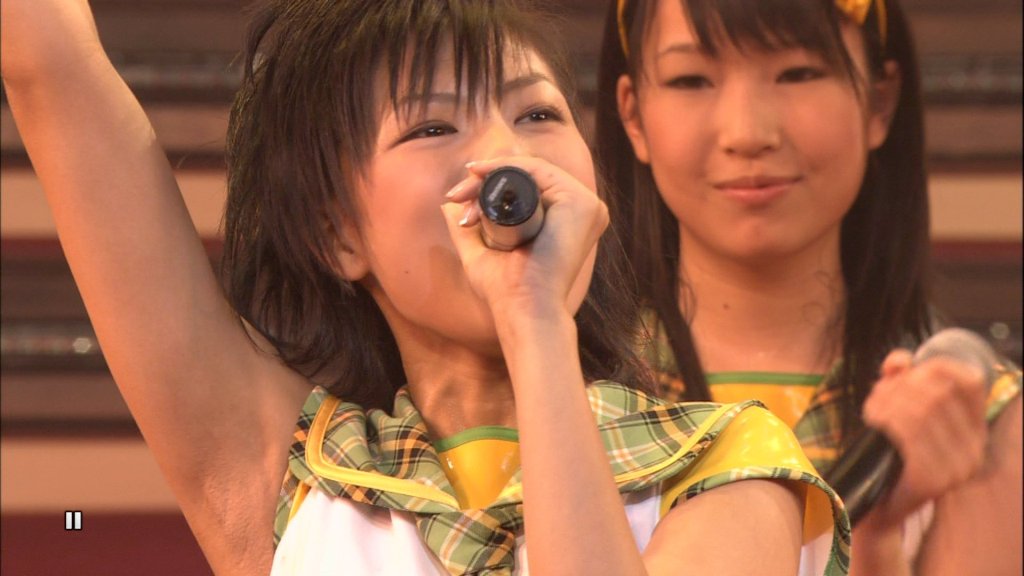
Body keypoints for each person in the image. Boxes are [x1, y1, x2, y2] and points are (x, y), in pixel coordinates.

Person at [2, 0, 852, 574]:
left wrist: (535, 326)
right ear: (337, 234)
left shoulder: (733, 466)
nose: (505, 158)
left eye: (537, 115)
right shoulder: (290, 475)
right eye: (434, 125)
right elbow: (50, 65)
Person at [595, 0, 1023, 574]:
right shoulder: (565, 395)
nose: (748, 133)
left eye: (798, 73)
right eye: (691, 79)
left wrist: (878, 531)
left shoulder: (975, 419)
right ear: (632, 115)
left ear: (879, 101)